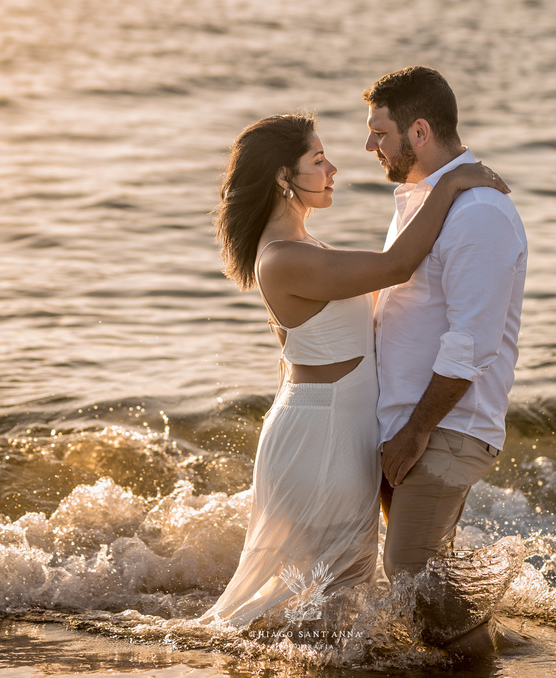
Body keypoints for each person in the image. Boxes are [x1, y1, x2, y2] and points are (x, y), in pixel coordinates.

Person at [204, 112, 508, 628]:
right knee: (324, 596)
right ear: (283, 177)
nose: (333, 170)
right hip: (321, 435)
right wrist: (451, 183)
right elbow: (396, 266)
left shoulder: (305, 247)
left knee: (337, 597)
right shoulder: (281, 258)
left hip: (338, 428)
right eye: (318, 160)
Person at [364, 67, 527, 651]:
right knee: (427, 576)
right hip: (410, 422)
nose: (370, 145)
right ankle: (493, 650)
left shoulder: (479, 211)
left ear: (420, 131)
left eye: (380, 132)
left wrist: (415, 431)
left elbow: (472, 343)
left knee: (411, 569)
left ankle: (482, 661)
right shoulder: (424, 201)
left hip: (443, 427)